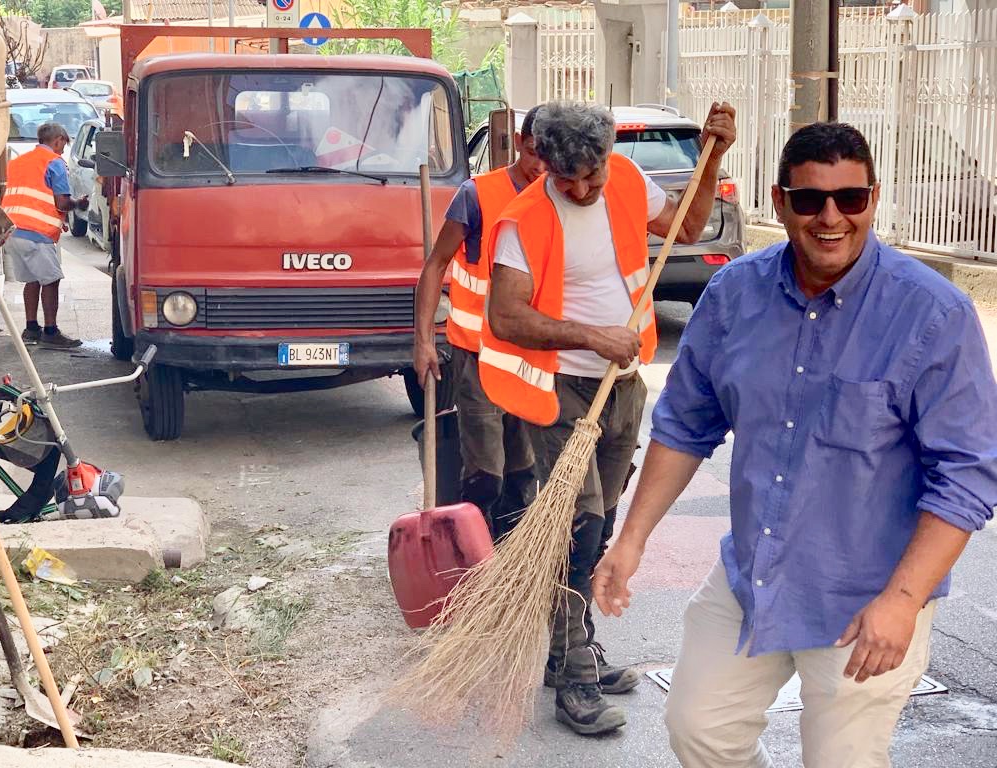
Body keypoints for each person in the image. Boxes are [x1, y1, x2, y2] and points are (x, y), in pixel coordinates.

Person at [593, 122, 997, 765]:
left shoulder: (932, 314)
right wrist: (632, 539)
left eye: (850, 198)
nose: (830, 218)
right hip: (753, 573)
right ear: (780, 204)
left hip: (869, 593)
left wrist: (902, 601)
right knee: (700, 729)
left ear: (873, 198)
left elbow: (967, 476)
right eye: (809, 200)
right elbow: (686, 424)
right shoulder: (734, 294)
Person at [481, 100, 736, 735]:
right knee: (579, 525)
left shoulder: (624, 178)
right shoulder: (523, 221)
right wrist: (591, 337)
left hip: (621, 384)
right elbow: (505, 317)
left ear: (607, 156)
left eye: (592, 174)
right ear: (545, 164)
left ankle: (573, 647)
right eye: (567, 179)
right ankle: (574, 677)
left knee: (604, 519)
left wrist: (713, 160)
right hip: (562, 387)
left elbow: (690, 228)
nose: (583, 189)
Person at [413, 105, 547, 541]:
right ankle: (472, 553)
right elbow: (435, 265)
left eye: (550, 157)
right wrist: (423, 342)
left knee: (524, 472)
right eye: (534, 153)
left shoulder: (560, 197)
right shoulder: (477, 195)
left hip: (532, 359)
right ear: (520, 144)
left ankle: (512, 559)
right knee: (486, 474)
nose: (541, 167)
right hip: (478, 356)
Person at [1, 122, 85, 349]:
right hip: (35, 233)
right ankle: (50, 331)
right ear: (58, 140)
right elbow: (63, 202)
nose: (63, 150)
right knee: (51, 279)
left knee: (33, 279)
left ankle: (31, 328)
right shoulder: (54, 162)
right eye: (63, 145)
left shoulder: (18, 162)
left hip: (12, 230)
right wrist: (80, 203)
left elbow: (30, 196)